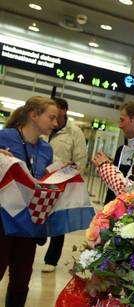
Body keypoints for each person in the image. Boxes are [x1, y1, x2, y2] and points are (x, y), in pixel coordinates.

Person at [0, 96, 58, 307]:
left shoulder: (46, 149)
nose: (55, 123)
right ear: (34, 115)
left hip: (29, 223)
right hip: (2, 219)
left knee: (21, 279)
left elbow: (43, 181)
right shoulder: (4, 137)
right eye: (51, 117)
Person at [42, 97, 88, 273]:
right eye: (52, 114)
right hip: (39, 181)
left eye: (58, 115)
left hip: (61, 183)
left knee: (58, 222)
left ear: (65, 112)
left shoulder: (74, 132)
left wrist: (66, 174)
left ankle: (51, 260)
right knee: (35, 217)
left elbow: (80, 162)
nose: (55, 120)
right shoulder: (42, 127)